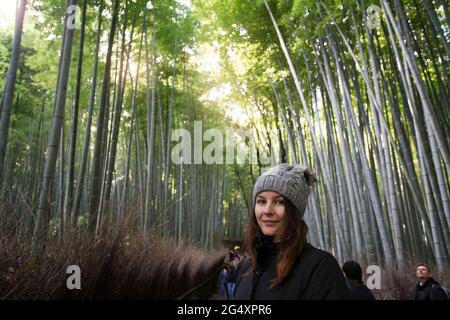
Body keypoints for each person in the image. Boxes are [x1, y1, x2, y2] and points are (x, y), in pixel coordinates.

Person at [233, 163, 350, 300]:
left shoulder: (320, 268)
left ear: (295, 211)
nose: (267, 211)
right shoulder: (247, 266)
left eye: (279, 202)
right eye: (261, 201)